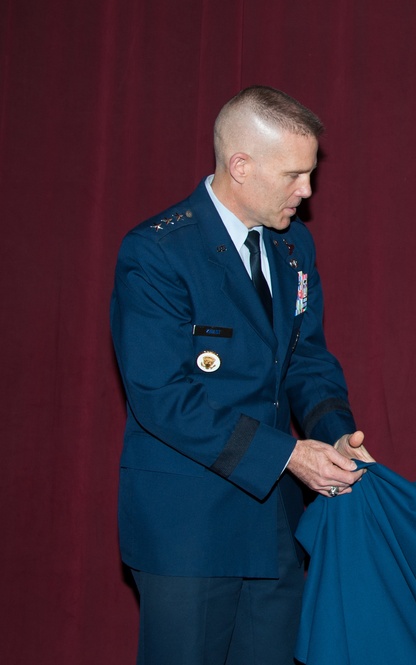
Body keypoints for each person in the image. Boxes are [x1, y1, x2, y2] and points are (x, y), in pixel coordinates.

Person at [110, 85, 374, 665]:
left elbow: (307, 357)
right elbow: (163, 398)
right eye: (294, 176)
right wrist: (288, 456)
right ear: (240, 166)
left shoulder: (292, 247)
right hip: (190, 529)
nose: (306, 193)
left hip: (275, 524)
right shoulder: (158, 254)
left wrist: (335, 434)